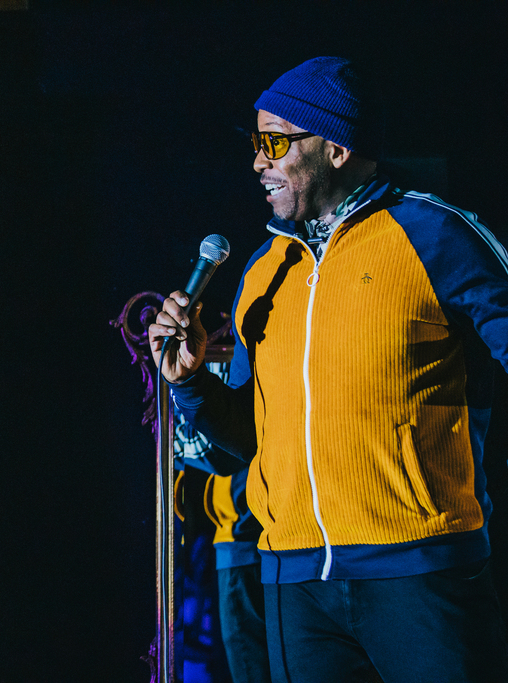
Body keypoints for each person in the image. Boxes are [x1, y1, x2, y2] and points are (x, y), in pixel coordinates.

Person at [149, 56, 508, 682]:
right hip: (295, 584)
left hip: (419, 571)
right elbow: (244, 445)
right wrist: (188, 383)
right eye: (257, 144)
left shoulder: (434, 236)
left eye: (275, 141)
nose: (258, 162)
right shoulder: (265, 269)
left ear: (336, 150)